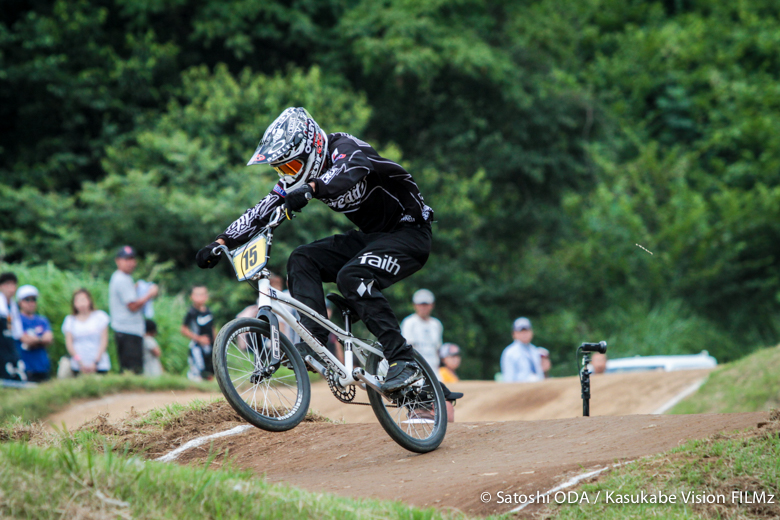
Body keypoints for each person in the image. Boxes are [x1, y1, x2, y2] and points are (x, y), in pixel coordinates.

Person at [196, 107, 434, 393]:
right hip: (371, 238)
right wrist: (222, 241)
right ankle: (315, 341)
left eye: (291, 167)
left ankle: (402, 359)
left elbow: (350, 171)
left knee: (351, 276)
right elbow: (262, 209)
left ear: (312, 149)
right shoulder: (302, 180)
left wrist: (311, 188)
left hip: (410, 234)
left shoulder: (345, 148)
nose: (288, 175)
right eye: (282, 170)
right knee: (302, 258)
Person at [109, 245, 159, 374]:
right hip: (127, 331)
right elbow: (132, 306)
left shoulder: (123, 278)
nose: (130, 263)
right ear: (118, 261)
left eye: (132, 259)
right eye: (126, 259)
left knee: (131, 368)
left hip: (127, 331)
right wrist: (149, 294)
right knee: (132, 370)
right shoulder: (121, 279)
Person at [62, 288, 111, 375]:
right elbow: (69, 344)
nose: (81, 303)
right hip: (78, 366)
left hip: (99, 364)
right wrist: (79, 362)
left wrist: (96, 362)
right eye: (78, 301)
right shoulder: (70, 320)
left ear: (89, 301)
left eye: (83, 300)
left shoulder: (100, 316)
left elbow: (104, 340)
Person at [16, 285, 53, 382]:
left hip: (42, 366)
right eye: (27, 300)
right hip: (26, 368)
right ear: (20, 302)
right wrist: (41, 340)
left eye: (33, 299)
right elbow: (25, 339)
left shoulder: (42, 320)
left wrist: (35, 340)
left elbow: (49, 338)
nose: (31, 303)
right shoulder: (16, 320)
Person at [400, 289, 443, 372]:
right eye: (420, 305)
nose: (423, 307)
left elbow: (438, 349)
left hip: (433, 368)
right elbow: (407, 348)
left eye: (426, 305)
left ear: (432, 305)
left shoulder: (436, 324)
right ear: (415, 305)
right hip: (416, 368)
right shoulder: (409, 322)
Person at [181, 285, 215, 381]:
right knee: (199, 368)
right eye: (197, 294)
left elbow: (212, 328)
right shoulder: (191, 312)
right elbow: (183, 329)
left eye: (202, 294)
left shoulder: (209, 311)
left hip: (210, 345)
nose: (200, 297)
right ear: (191, 296)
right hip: (197, 346)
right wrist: (199, 338)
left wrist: (216, 341)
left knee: (211, 368)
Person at [500, 317, 544, 383]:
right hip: (520, 389)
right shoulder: (510, 353)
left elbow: (540, 373)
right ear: (514, 334)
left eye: (526, 331)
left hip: (537, 388)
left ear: (531, 332)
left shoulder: (534, 350)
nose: (524, 334)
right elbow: (509, 379)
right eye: (521, 332)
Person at [0, 272, 24, 380]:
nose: (11, 288)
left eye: (13, 285)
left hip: (10, 344)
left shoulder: (13, 306)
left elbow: (16, 331)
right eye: (8, 284)